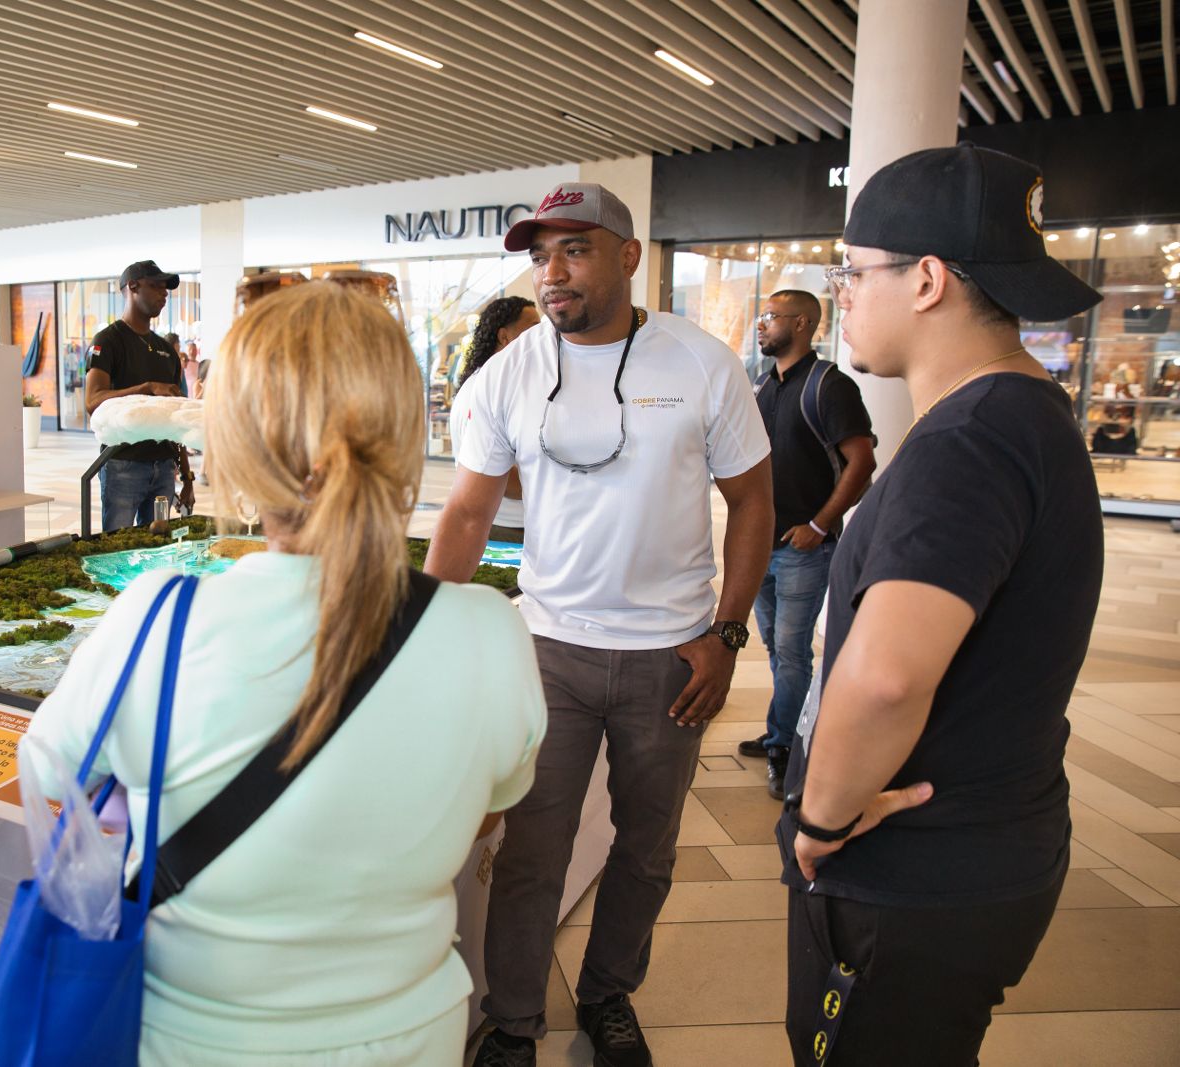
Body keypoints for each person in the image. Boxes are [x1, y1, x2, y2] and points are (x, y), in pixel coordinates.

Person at [22, 281, 547, 1067]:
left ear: (232, 446)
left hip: (188, 1037)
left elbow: (52, 781)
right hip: (410, 1034)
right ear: (405, 434)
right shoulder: (489, 631)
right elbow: (485, 809)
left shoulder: (156, 622)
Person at [429, 182, 774, 1067]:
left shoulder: (701, 363)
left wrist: (727, 633)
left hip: (671, 657)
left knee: (646, 847)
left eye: (574, 249)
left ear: (628, 255)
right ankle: (512, 1021)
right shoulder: (509, 371)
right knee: (531, 853)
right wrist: (421, 630)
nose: (553, 271)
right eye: (541, 255)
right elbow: (467, 514)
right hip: (549, 651)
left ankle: (608, 994)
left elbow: (753, 500)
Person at [777, 145, 1105, 1067]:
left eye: (853, 270)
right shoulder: (1024, 414)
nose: (841, 291)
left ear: (925, 280)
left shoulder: (968, 440)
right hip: (984, 849)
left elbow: (884, 678)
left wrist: (820, 822)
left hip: (912, 878)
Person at [737, 291, 876, 799]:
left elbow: (862, 461)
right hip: (760, 545)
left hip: (803, 549)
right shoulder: (761, 384)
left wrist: (819, 526)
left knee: (793, 654)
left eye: (770, 317)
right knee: (777, 649)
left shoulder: (830, 386)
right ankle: (785, 730)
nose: (761, 325)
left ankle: (789, 751)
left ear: (802, 323)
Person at [85, 260, 195, 530]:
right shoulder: (107, 341)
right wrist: (147, 389)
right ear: (132, 287)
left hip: (164, 468)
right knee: (117, 549)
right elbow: (92, 401)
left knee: (158, 548)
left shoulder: (166, 351)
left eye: (166, 289)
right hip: (123, 464)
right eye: (156, 286)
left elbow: (175, 418)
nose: (164, 294)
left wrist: (187, 477)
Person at [451, 296, 541, 543]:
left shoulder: (501, 384)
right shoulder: (485, 390)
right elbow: (493, 471)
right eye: (533, 327)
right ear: (504, 337)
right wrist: (557, 483)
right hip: (506, 530)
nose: (543, 335)